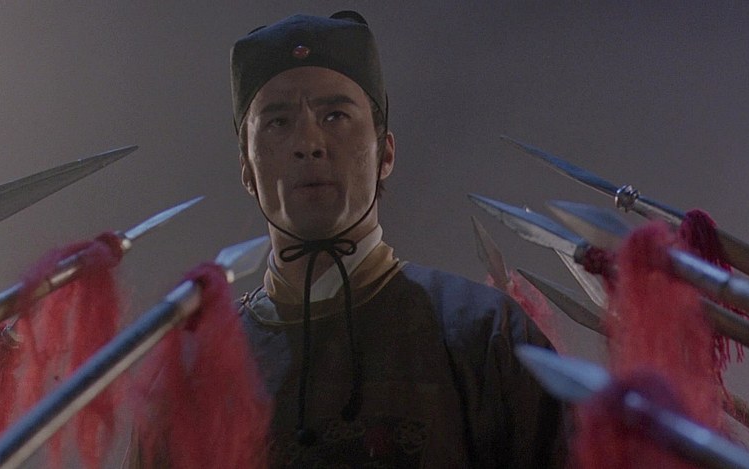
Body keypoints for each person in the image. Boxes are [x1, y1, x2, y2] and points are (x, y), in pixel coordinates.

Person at [231, 11, 565, 468]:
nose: (308, 142)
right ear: (247, 169)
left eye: (335, 115)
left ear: (385, 152)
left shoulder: (485, 334)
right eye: (277, 122)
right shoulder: (201, 364)